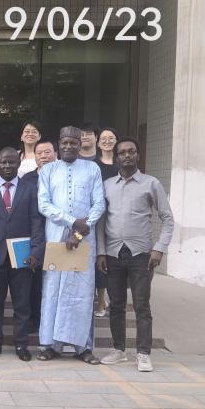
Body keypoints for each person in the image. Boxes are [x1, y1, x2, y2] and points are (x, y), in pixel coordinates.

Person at [97, 138, 174, 372]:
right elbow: (101, 221)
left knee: (141, 305)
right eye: (122, 153)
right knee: (116, 305)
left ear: (138, 155)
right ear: (117, 158)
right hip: (113, 253)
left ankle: (143, 353)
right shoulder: (107, 185)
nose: (127, 156)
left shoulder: (151, 184)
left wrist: (159, 247)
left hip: (142, 254)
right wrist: (101, 251)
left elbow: (167, 218)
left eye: (131, 152)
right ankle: (118, 350)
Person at [36, 126, 105, 365]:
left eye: (73, 143)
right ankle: (49, 345)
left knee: (82, 294)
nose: (68, 146)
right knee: (52, 292)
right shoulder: (48, 170)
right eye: (64, 142)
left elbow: (99, 204)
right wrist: (71, 221)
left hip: (84, 240)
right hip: (56, 239)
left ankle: (82, 347)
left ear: (79, 144)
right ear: (59, 144)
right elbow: (44, 204)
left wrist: (79, 230)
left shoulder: (92, 169)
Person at [0, 147, 45, 361]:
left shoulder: (30, 189)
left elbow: (37, 223)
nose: (7, 166)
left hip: (22, 256)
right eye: (3, 162)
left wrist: (36, 252)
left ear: (19, 163)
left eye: (12, 162)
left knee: (22, 304)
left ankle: (21, 344)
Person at [24, 138, 57, 328]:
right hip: (34, 235)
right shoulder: (27, 179)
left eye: (47, 152)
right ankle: (34, 319)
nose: (43, 156)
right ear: (34, 157)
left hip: (58, 234)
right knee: (34, 280)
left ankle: (53, 321)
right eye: (39, 153)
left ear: (55, 154)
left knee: (54, 279)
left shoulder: (63, 176)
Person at [93, 127, 120, 317]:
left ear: (116, 141)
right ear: (98, 142)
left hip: (118, 215)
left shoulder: (122, 162)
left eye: (111, 138)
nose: (107, 141)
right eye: (103, 138)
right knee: (100, 256)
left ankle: (116, 298)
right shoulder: (93, 165)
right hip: (98, 216)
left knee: (115, 258)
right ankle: (101, 300)